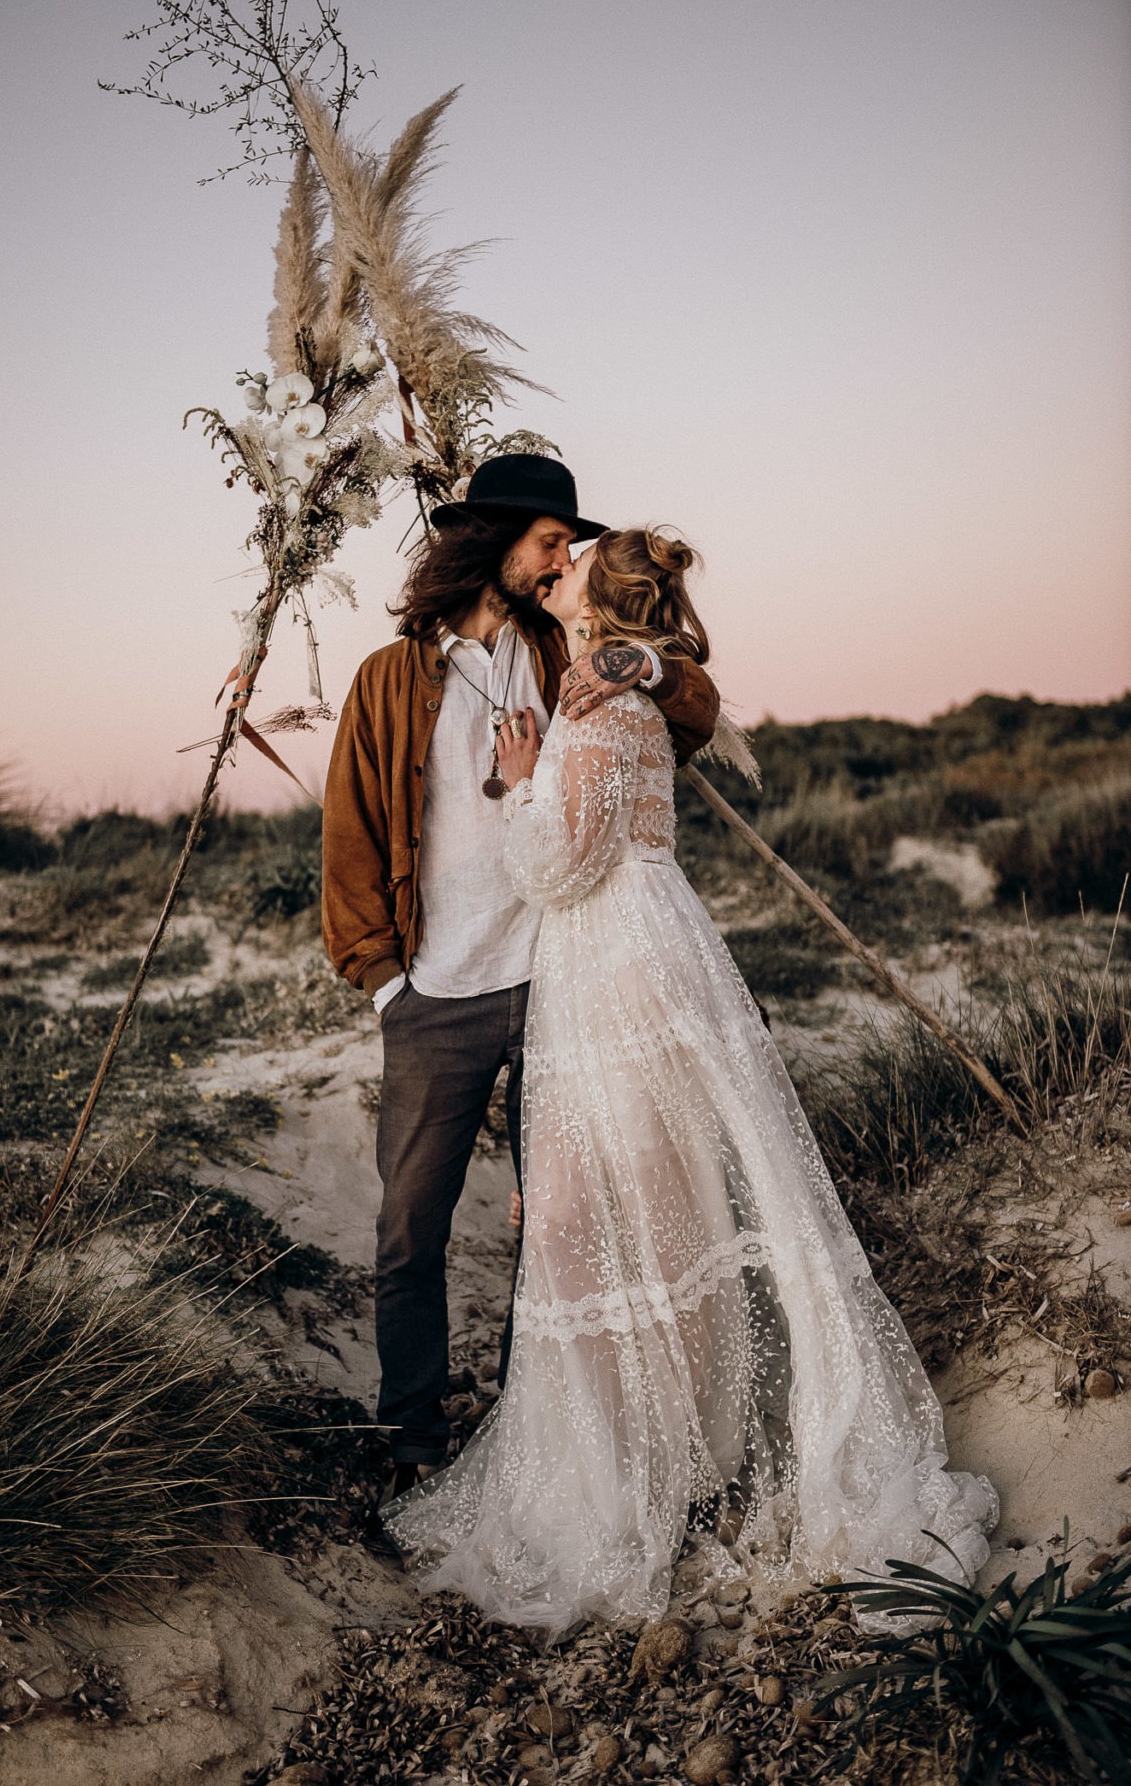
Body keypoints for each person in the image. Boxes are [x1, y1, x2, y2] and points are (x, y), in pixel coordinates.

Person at [382, 526, 998, 1634]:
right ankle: (657, 1458)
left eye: (571, 559)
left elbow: (557, 867)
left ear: (596, 597)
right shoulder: (569, 671)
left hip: (615, 969)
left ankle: (650, 1476)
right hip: (622, 962)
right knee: (635, 1218)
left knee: (617, 1220)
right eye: (547, 550)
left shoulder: (612, 697)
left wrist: (521, 786)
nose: (556, 562)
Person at [321, 456, 721, 1511]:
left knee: (559, 1223)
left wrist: (644, 671)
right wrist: (383, 986)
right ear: (491, 541)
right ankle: (413, 1435)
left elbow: (701, 708)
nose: (564, 558)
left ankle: (529, 1431)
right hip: (436, 998)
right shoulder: (389, 678)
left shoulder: (569, 650)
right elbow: (350, 841)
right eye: (549, 539)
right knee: (412, 1225)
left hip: (559, 984)